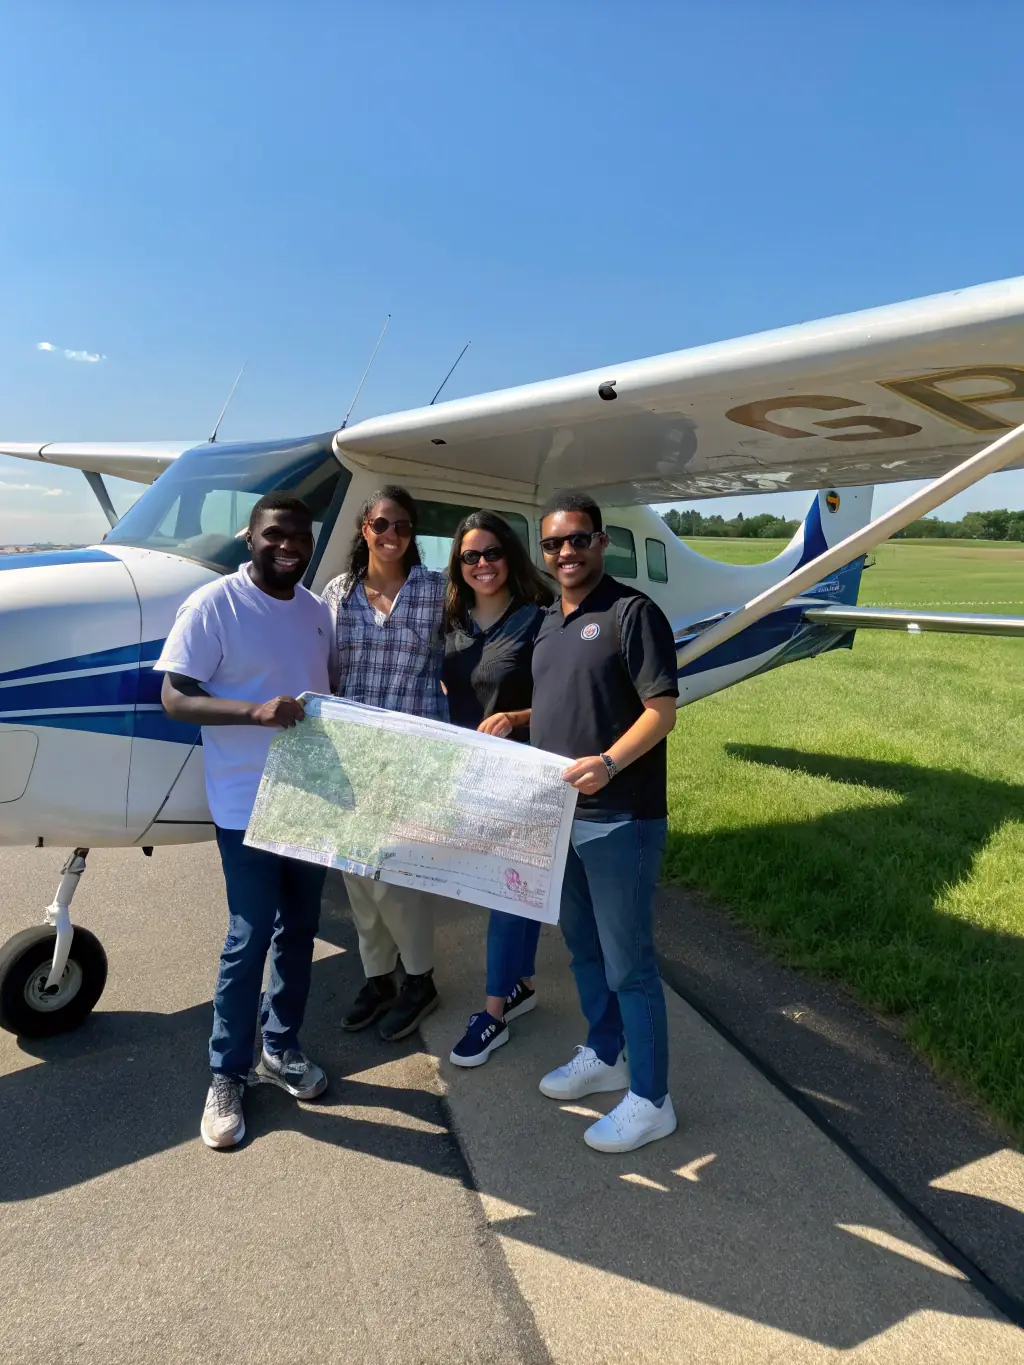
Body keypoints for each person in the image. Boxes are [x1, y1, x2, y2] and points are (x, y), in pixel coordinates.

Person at [156, 493, 332, 1151]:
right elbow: (175, 697)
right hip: (245, 804)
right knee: (249, 934)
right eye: (275, 535)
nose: (289, 546)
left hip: (309, 802)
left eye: (299, 538)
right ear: (250, 536)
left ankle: (280, 1048)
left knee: (301, 929)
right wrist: (252, 713)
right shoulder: (214, 605)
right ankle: (226, 1072)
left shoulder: (316, 612)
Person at [529, 491, 679, 1153]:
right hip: (561, 816)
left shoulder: (631, 613)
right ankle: (607, 1052)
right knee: (584, 950)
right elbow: (566, 705)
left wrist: (610, 765)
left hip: (620, 816)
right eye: (554, 543)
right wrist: (512, 721)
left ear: (602, 541)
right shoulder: (547, 623)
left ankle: (651, 1099)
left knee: (631, 966)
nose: (566, 552)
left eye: (578, 539)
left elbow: (661, 709)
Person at [321, 486, 448, 1041]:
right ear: (363, 529)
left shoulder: (438, 592)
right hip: (349, 754)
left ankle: (420, 978)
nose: (390, 535)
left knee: (396, 875)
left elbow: (477, 654)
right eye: (380, 524)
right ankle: (379, 977)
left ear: (412, 533)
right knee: (355, 876)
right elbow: (322, 667)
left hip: (410, 757)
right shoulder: (338, 592)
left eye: (401, 525)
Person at [441, 510, 554, 1067]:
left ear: (510, 557)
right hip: (473, 776)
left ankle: (491, 1015)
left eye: (492, 553)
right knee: (518, 888)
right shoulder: (453, 624)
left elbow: (562, 699)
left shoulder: (538, 620)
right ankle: (522, 984)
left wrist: (516, 715)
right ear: (458, 566)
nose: (483, 564)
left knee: (505, 891)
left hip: (525, 775)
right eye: (470, 556)